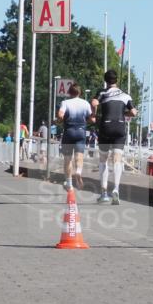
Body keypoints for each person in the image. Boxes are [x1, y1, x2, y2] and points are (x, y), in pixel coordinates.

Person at [90, 69, 137, 205]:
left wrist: (94, 114)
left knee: (103, 160)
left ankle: (104, 192)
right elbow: (133, 112)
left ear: (106, 81)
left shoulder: (102, 92)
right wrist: (124, 114)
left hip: (106, 126)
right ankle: (116, 189)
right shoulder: (125, 95)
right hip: (120, 127)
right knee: (117, 159)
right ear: (116, 80)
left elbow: (94, 103)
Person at [57, 85, 90, 191]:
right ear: (80, 93)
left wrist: (59, 119)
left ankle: (69, 183)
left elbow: (60, 114)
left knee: (67, 159)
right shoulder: (85, 103)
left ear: (70, 93)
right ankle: (79, 172)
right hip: (81, 131)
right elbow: (91, 118)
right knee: (79, 156)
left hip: (69, 132)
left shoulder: (65, 103)